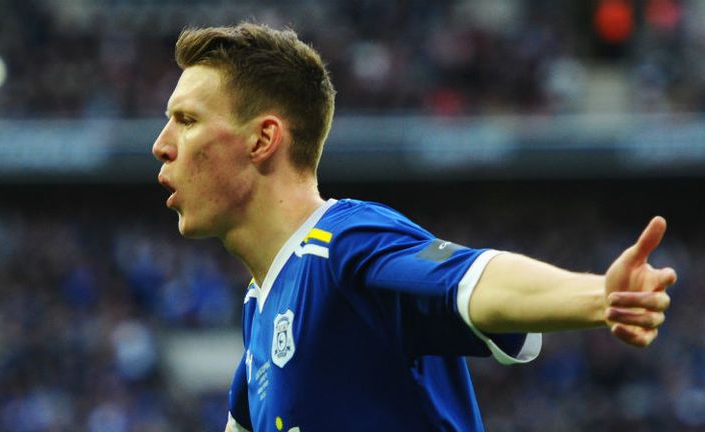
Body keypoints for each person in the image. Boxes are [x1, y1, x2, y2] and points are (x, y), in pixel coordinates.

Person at [151, 23, 676, 432]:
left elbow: (471, 278)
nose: (162, 143)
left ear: (263, 140)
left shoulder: (343, 243)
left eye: (188, 120)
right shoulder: (259, 307)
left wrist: (599, 295)